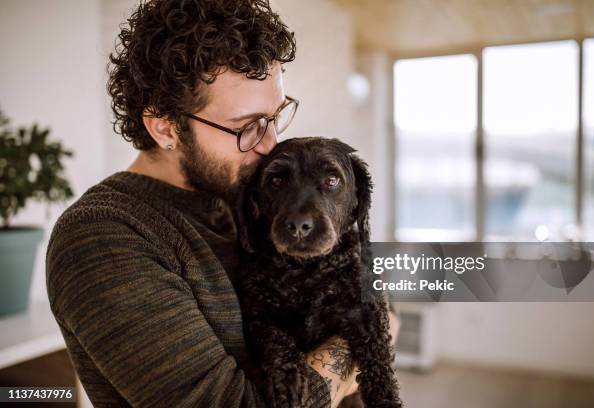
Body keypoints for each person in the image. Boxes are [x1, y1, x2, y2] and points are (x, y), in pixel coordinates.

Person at [46, 0, 399, 407]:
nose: (269, 144)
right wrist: (358, 342)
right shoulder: (103, 238)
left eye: (274, 116)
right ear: (165, 127)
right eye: (245, 127)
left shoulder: (248, 198)